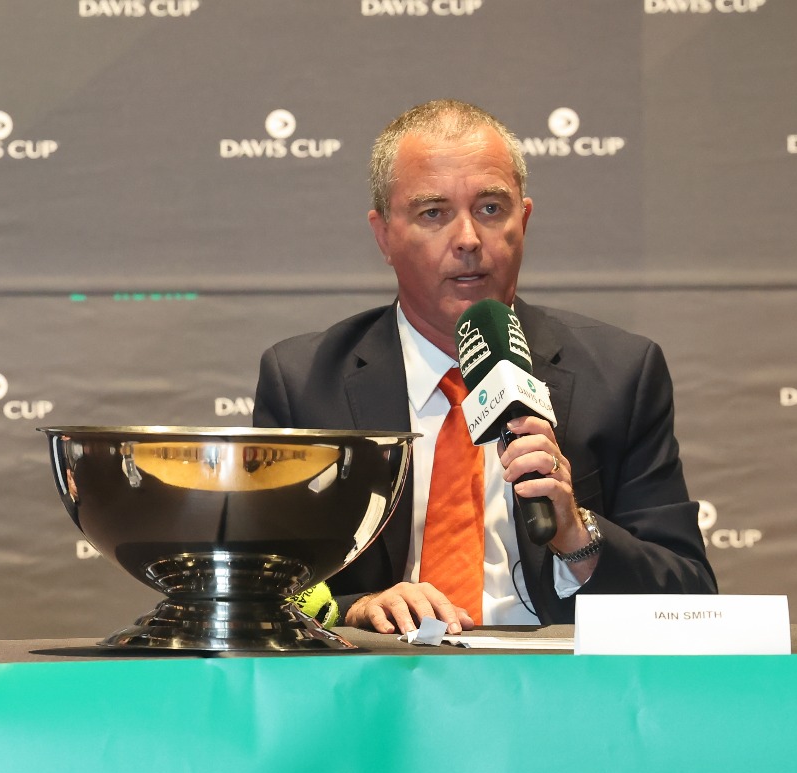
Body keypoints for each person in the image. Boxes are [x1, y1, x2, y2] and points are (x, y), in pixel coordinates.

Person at [254, 99, 714, 634]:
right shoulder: (305, 383)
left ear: (525, 219)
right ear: (384, 236)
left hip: (554, 673)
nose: (469, 239)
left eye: (491, 208)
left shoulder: (620, 374)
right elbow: (261, 588)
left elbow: (689, 596)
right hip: (386, 672)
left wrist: (577, 535)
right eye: (433, 213)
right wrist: (359, 608)